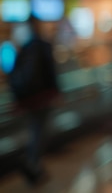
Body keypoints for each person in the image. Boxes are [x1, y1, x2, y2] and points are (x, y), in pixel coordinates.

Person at [8, 14, 60, 185]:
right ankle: (33, 165)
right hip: (43, 97)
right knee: (41, 132)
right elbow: (51, 72)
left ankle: (33, 165)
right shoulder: (42, 46)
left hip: (30, 99)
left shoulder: (25, 47)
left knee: (36, 131)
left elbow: (14, 73)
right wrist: (56, 91)